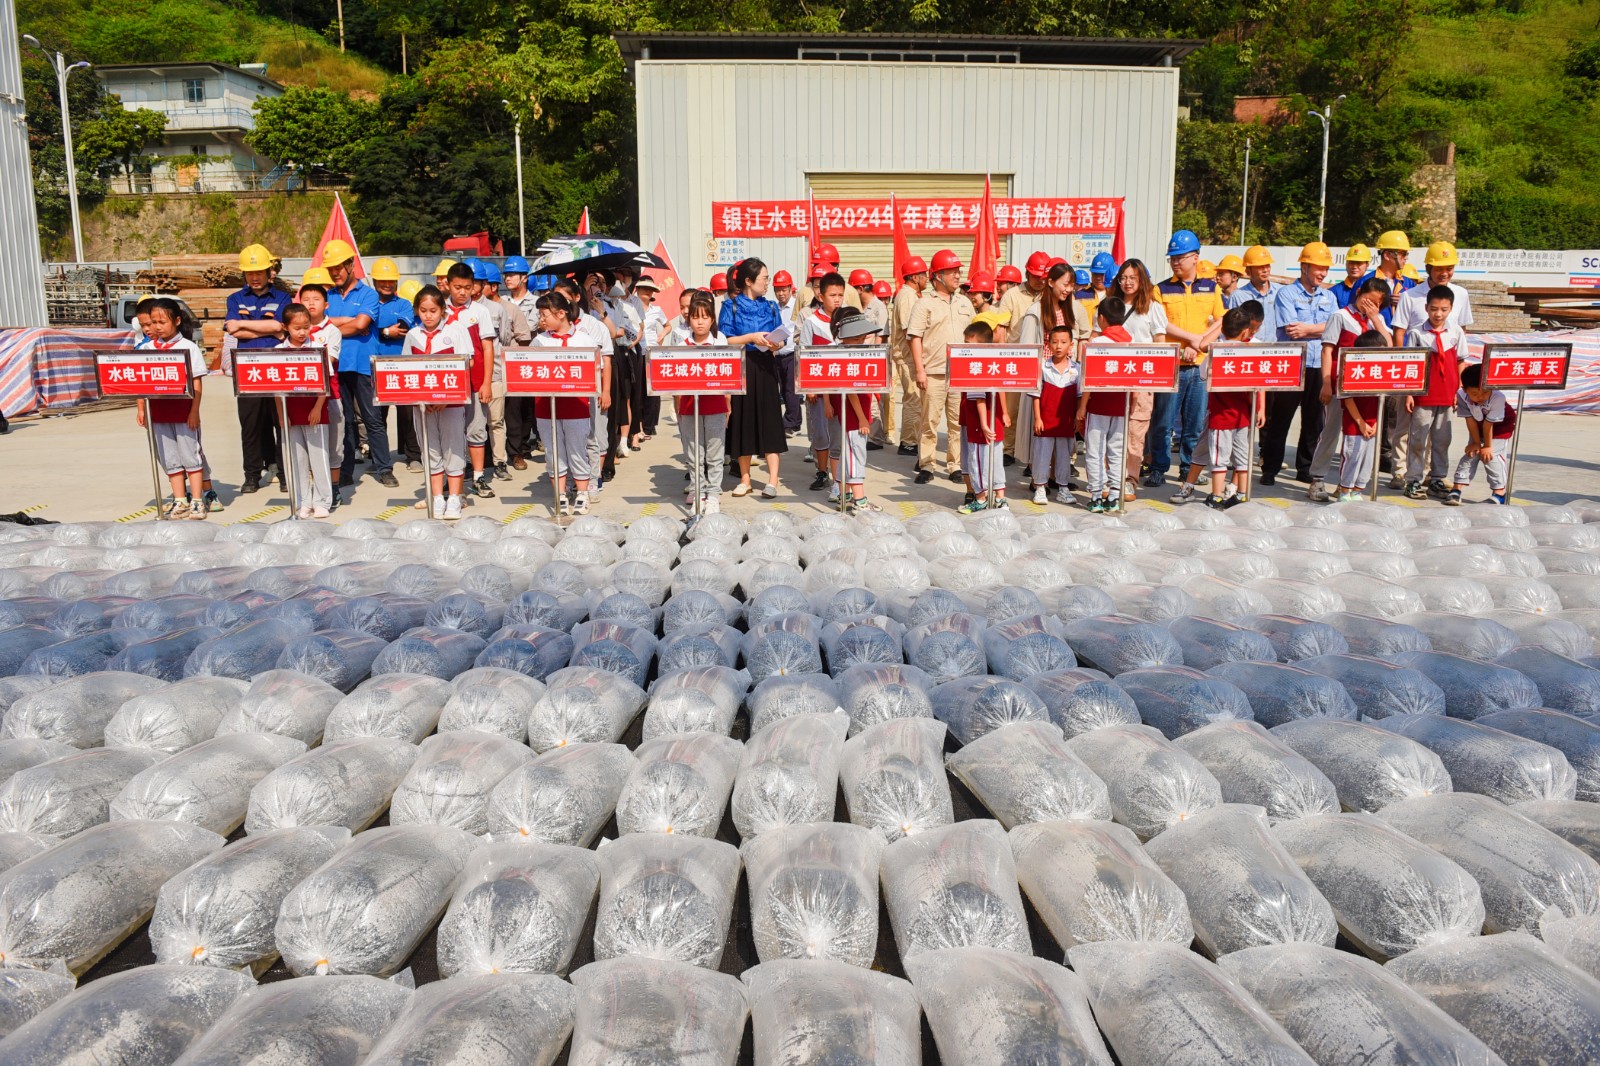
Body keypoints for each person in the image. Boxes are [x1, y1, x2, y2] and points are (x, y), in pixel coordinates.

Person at [1305, 277, 1393, 502]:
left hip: (1367, 386)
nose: (1369, 305)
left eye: (1376, 303)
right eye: (1368, 299)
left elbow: (1390, 347)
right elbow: (1327, 349)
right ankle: (1317, 478)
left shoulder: (1377, 320)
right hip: (1339, 382)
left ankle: (1347, 484)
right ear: (1359, 292)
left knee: (1359, 438)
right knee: (1331, 431)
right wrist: (1326, 383)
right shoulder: (1340, 316)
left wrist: (1376, 319)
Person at [1149, 229, 1225, 488]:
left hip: (1200, 366)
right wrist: (1192, 340)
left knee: (1194, 425)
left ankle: (1187, 468)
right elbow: (1161, 323)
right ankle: (1158, 468)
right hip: (1171, 366)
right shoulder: (1161, 289)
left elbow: (1222, 320)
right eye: (1172, 258)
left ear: (1195, 257)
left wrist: (1200, 343)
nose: (1175, 262)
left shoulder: (1211, 288)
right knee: (1163, 423)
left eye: (1180, 257)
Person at [1171, 305, 1264, 508]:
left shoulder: (1216, 351)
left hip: (1221, 416)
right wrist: (1259, 408)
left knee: (1219, 458)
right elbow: (1260, 382)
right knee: (1241, 458)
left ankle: (1216, 495)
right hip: (1242, 415)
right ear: (1245, 331)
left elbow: (1203, 373)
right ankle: (1242, 494)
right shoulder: (1253, 352)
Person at [1262, 242, 1339, 485]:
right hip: (1293, 365)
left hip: (1320, 364)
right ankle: (1270, 468)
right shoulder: (1286, 294)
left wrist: (1309, 329)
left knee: (1314, 420)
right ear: (1304, 267)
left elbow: (1336, 328)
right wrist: (1320, 329)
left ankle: (1305, 468)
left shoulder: (1329, 296)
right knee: (1281, 418)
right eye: (1319, 268)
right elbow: (1293, 330)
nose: (1323, 273)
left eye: (1326, 269)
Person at [530, 290, 608, 516]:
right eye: (540, 315)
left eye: (545, 315)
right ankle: (560, 494)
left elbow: (597, 370)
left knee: (577, 449)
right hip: (546, 407)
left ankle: (582, 493)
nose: (541, 319)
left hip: (577, 406)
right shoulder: (540, 341)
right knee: (554, 452)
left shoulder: (584, 340)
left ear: (561, 313)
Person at [403, 286, 474, 519]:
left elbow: (467, 364)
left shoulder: (455, 331)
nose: (428, 316)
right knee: (430, 448)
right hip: (422, 405)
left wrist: (446, 397)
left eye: (433, 310)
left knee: (453, 448)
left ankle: (454, 497)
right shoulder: (413, 335)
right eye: (423, 311)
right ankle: (436, 497)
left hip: (451, 403)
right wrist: (421, 398)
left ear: (442, 310)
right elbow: (405, 368)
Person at [224, 244, 290, 495]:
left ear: (269, 272)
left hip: (275, 367)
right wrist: (269, 328)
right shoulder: (235, 299)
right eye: (250, 272)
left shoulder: (282, 298)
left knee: (280, 423)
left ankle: (284, 474)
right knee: (250, 424)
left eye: (259, 272)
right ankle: (251, 475)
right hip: (247, 369)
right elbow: (233, 330)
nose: (254, 277)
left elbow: (281, 327)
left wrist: (246, 325)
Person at [1015, 262, 1090, 480]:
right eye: (1065, 284)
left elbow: (1080, 339)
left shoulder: (1072, 309)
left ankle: (1058, 477)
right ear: (1050, 282)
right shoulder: (1035, 312)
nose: (1069, 289)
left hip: (1066, 378)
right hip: (1044, 378)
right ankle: (1038, 478)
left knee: (1062, 429)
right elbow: (1027, 349)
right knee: (1041, 431)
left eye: (1071, 285)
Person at [136, 298, 210, 519]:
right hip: (159, 411)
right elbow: (140, 381)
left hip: (184, 411)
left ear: (177, 321)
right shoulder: (146, 348)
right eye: (153, 322)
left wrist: (194, 410)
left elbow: (197, 382)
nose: (157, 327)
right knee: (169, 457)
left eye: (162, 322)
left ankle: (197, 500)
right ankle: (180, 500)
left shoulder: (189, 347)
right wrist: (142, 409)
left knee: (190, 455)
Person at [320, 240, 383, 495]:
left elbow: (360, 324)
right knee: (343, 421)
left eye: (338, 267)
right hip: (336, 365)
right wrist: (347, 322)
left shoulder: (368, 294)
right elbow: (319, 325)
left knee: (372, 418)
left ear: (350, 265)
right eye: (331, 269)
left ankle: (383, 467)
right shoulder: (328, 296)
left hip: (362, 364)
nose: (334, 273)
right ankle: (345, 471)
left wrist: (334, 326)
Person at [1104, 259, 1170, 502]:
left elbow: (1160, 344)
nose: (1127, 282)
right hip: (1112, 378)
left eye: (1133, 278)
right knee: (1110, 429)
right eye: (1123, 278)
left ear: (1142, 280)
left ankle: (1130, 479)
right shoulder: (1109, 305)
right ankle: (1110, 478)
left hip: (1141, 379)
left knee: (1136, 430)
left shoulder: (1153, 308)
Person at [719, 258, 786, 498]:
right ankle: (745, 479)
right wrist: (751, 337)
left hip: (766, 367)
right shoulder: (731, 306)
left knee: (770, 422)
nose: (768, 283)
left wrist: (776, 344)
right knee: (743, 422)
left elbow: (782, 337)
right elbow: (725, 339)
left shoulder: (771, 307)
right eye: (764, 278)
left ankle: (772, 481)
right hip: (742, 368)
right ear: (748, 281)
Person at [909, 249, 974, 485]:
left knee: (957, 423)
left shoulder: (965, 302)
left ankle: (955, 465)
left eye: (958, 271)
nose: (957, 276)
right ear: (937, 276)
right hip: (933, 373)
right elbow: (915, 338)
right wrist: (920, 370)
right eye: (952, 271)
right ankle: (927, 464)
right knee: (929, 422)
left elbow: (975, 335)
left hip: (960, 374)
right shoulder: (924, 304)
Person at [1399, 285, 1466, 500]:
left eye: (1444, 309)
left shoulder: (1456, 332)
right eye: (1434, 309)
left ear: (1451, 309)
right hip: (1423, 394)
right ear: (1426, 308)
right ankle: (1413, 480)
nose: (1438, 314)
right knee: (1418, 439)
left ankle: (1437, 478)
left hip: (1447, 395)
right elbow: (1410, 365)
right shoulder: (1416, 333)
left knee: (1442, 439)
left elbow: (1461, 361)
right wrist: (1409, 394)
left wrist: (1459, 391)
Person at [438, 262, 496, 500]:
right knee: (450, 432)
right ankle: (452, 478)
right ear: (447, 285)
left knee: (476, 430)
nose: (462, 292)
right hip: (448, 384)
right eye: (457, 287)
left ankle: (479, 477)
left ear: (474, 287)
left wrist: (487, 382)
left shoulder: (480, 312)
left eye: (467, 287)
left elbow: (488, 348)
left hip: (475, 382)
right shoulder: (439, 310)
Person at [273, 302, 333, 519]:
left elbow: (326, 382)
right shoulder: (278, 352)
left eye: (306, 327)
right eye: (297, 328)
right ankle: (303, 501)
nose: (302, 332)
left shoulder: (318, 348)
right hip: (290, 411)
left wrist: (318, 407)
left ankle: (323, 501)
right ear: (285, 327)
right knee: (296, 459)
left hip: (315, 410)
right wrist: (281, 414)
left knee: (319, 457)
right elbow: (275, 388)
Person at [673, 290, 729, 513]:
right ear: (689, 319)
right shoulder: (682, 345)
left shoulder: (720, 341)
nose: (700, 322)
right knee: (695, 453)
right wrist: (678, 406)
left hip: (715, 405)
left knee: (715, 453)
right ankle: (698, 491)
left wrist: (728, 404)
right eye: (695, 317)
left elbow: (729, 377)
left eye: (705, 317)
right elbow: (675, 382)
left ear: (712, 319)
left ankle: (713, 494)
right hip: (689, 407)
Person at [1076, 297, 1133, 513]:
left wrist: (1082, 406)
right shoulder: (1132, 342)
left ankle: (1096, 496)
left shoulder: (1096, 344)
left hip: (1098, 405)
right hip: (1121, 406)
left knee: (1095, 452)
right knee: (1117, 452)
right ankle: (1115, 496)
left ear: (1101, 318)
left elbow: (1088, 378)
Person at [295, 283, 345, 510]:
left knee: (333, 445)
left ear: (326, 304)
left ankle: (333, 488)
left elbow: (328, 362)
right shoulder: (294, 332)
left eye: (316, 299)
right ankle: (311, 492)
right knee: (307, 449)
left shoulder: (331, 331)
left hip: (329, 396)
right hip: (300, 398)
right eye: (306, 299)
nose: (311, 303)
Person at [827, 308, 882, 515]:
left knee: (847, 454)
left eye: (863, 338)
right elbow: (850, 391)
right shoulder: (846, 355)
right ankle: (860, 500)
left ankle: (845, 494)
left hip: (858, 413)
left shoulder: (854, 353)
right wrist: (862, 418)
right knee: (855, 454)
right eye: (857, 339)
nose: (862, 342)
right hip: (853, 416)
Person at [799, 271, 845, 494]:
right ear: (820, 296)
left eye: (840, 295)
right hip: (818, 387)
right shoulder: (812, 322)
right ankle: (822, 471)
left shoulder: (848, 319)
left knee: (839, 432)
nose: (837, 300)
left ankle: (841, 477)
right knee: (820, 431)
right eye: (832, 295)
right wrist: (809, 387)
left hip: (842, 386)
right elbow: (804, 354)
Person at [955, 320, 1009, 513]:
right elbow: (1000, 389)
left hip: (980, 425)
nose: (965, 348)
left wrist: (984, 425)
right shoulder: (994, 363)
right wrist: (1004, 413)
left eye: (968, 344)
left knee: (977, 462)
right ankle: (1001, 499)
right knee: (996, 460)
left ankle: (980, 499)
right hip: (994, 421)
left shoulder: (974, 367)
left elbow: (979, 398)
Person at [372, 260, 420, 474]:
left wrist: (377, 330)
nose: (387, 284)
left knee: (407, 412)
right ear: (375, 281)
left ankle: (413, 456)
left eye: (391, 280)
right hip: (375, 365)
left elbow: (402, 328)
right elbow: (362, 326)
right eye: (383, 281)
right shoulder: (369, 302)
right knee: (376, 415)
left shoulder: (404, 305)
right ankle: (378, 458)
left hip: (401, 365)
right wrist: (385, 332)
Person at [1448, 362, 1514, 506]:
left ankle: (1499, 493)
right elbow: (1470, 420)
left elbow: (1489, 424)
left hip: (1500, 426)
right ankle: (1456, 489)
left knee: (1490, 456)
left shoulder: (1498, 397)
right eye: (1474, 394)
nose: (1480, 397)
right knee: (1471, 453)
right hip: (1478, 424)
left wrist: (1488, 446)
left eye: (1485, 392)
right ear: (1465, 390)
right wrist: (1476, 442)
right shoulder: (1461, 395)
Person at [1335, 331, 1390, 502]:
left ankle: (1358, 490)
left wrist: (1375, 423)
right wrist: (1361, 423)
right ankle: (1345, 491)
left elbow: (1382, 400)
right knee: (1353, 455)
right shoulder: (1349, 369)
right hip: (1354, 424)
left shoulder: (1382, 371)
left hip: (1373, 423)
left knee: (1368, 459)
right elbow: (1348, 400)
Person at [1028, 324, 1079, 505]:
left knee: (1064, 455)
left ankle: (1063, 487)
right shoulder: (1042, 367)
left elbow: (1079, 397)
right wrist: (1037, 418)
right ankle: (1040, 487)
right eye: (1055, 342)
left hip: (1066, 421)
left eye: (1063, 342)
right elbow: (1035, 395)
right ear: (1048, 344)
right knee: (1042, 455)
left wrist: (1077, 418)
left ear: (1071, 345)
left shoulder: (1077, 369)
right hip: (1045, 420)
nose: (1059, 346)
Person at [500, 255, 540, 469]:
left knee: (527, 406)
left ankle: (523, 446)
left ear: (524, 277)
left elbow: (530, 327)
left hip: (528, 358)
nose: (508, 278)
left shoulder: (536, 302)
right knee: (511, 407)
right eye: (506, 274)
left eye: (513, 274)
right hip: (505, 359)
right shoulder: (502, 301)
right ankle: (515, 450)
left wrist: (512, 330)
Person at [889, 257, 929, 457]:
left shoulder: (911, 295)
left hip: (911, 356)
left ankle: (912, 439)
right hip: (907, 356)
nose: (927, 278)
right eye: (924, 275)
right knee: (913, 397)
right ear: (915, 277)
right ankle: (908, 442)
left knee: (915, 398)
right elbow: (909, 331)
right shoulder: (906, 296)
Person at [1392, 241, 1474, 339]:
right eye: (1439, 269)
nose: (1444, 274)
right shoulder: (1409, 296)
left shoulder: (1461, 294)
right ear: (1428, 269)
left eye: (1449, 269)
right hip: (1419, 349)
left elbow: (1462, 329)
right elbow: (1399, 332)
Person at [1360, 231, 1416, 325]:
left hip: (1403, 334)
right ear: (1387, 255)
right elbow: (1353, 316)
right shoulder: (1365, 282)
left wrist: (1406, 303)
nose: (1406, 257)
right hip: (1374, 334)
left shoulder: (1409, 284)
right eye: (1403, 253)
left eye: (1407, 254)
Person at [1333, 245, 1370, 309]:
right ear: (1346, 264)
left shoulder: (1372, 290)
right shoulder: (1335, 291)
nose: (1354, 267)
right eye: (1351, 263)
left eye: (1359, 263)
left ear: (1367, 265)